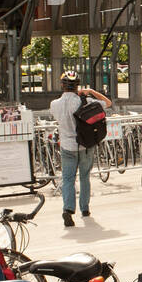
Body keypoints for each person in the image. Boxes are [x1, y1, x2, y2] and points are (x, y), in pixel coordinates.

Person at [49, 70, 112, 227]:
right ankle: (85, 209)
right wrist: (90, 91)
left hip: (67, 146)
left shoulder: (54, 104)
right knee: (85, 177)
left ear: (62, 85)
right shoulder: (85, 101)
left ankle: (68, 210)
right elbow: (108, 103)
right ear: (77, 86)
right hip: (85, 145)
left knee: (68, 179)